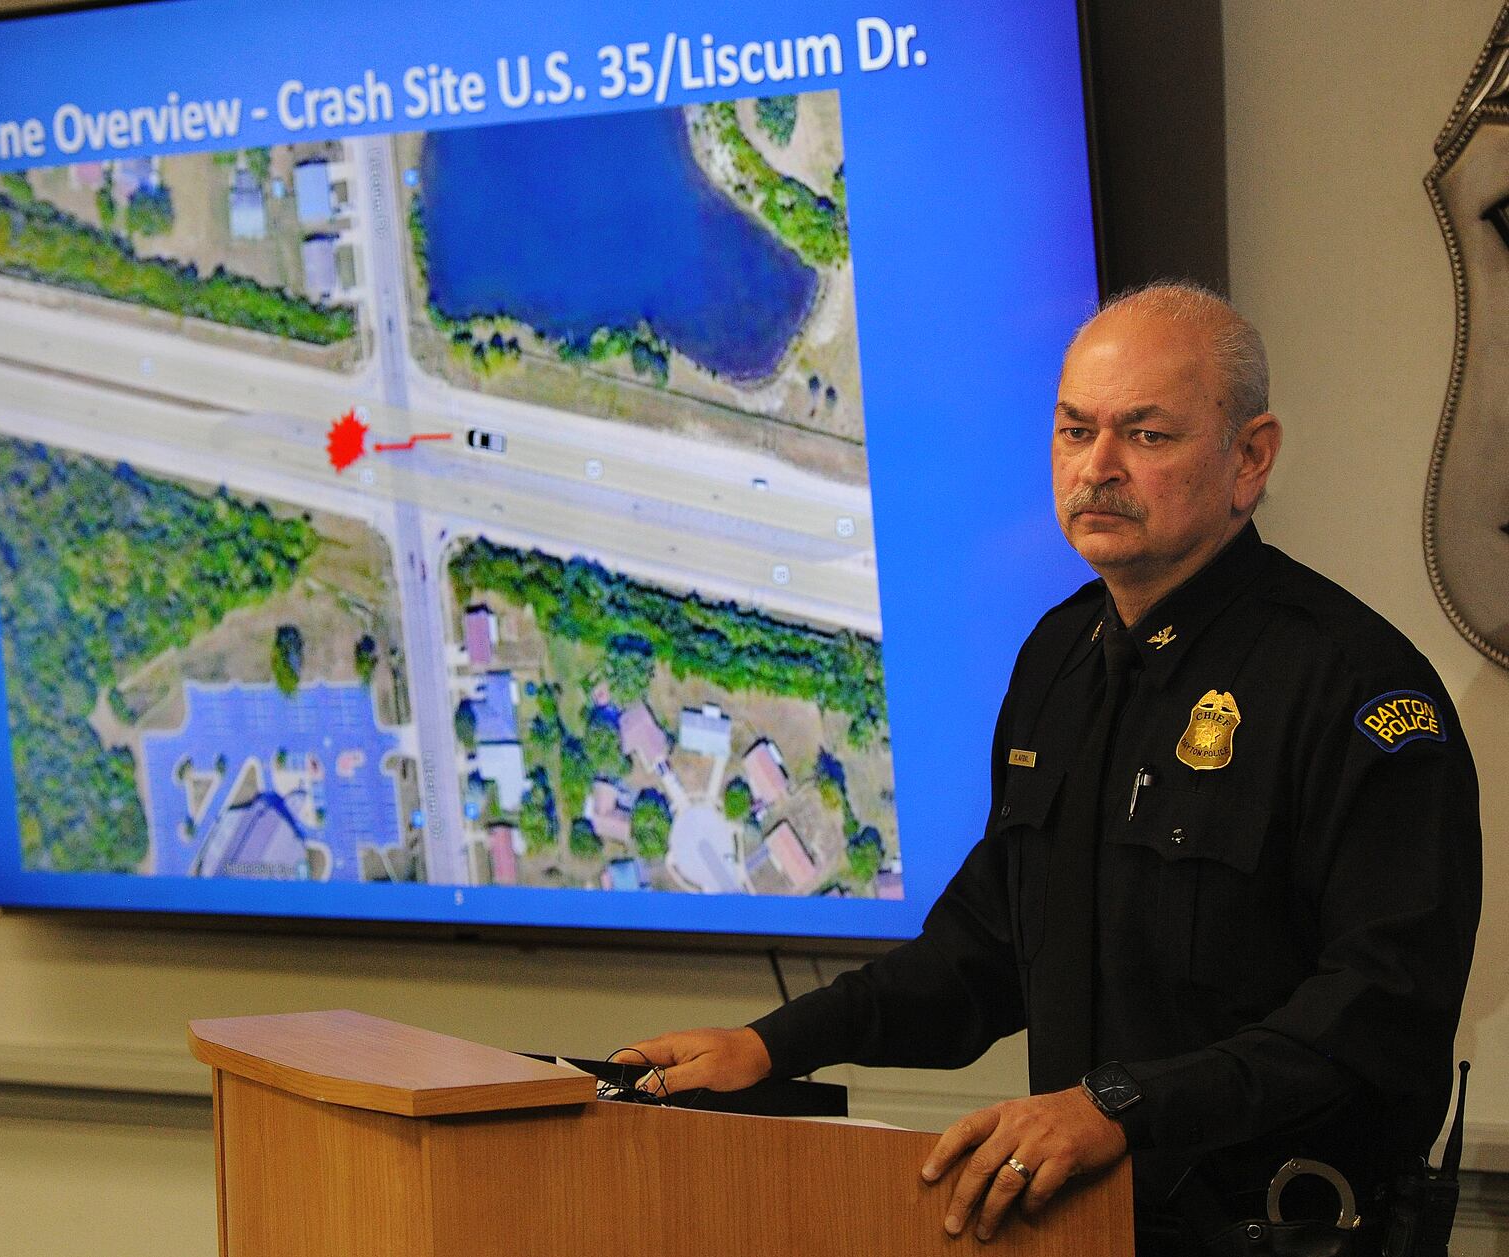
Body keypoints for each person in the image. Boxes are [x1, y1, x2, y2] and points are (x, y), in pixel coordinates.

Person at [624, 283, 1481, 1254]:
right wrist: (772, 1045)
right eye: (1075, 431)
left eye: (1146, 437)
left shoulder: (1352, 688)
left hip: (1285, 1232)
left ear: (1250, 458)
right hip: (1083, 1233)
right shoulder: (1058, 659)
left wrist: (1116, 1105)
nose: (1098, 469)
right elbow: (980, 957)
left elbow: (1382, 1008)